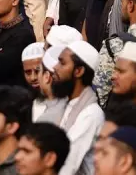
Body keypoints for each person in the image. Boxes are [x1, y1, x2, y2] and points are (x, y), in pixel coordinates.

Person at [43, 41, 104, 175]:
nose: (55, 67)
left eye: (62, 63)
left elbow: (67, 164)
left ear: (78, 71)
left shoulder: (91, 114)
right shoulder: (64, 104)